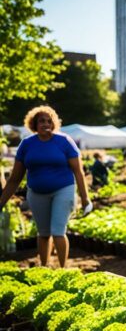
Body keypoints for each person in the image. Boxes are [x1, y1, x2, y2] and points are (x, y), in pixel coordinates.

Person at [0, 106, 93, 267]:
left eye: (49, 121)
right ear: (34, 124)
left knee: (57, 231)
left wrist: (85, 199)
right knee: (43, 234)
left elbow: (78, 172)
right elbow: (15, 179)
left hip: (63, 190)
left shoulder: (64, 142)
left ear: (54, 123)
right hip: (37, 193)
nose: (45, 124)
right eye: (41, 121)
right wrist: (1, 202)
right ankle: (44, 268)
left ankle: (62, 268)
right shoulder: (27, 144)